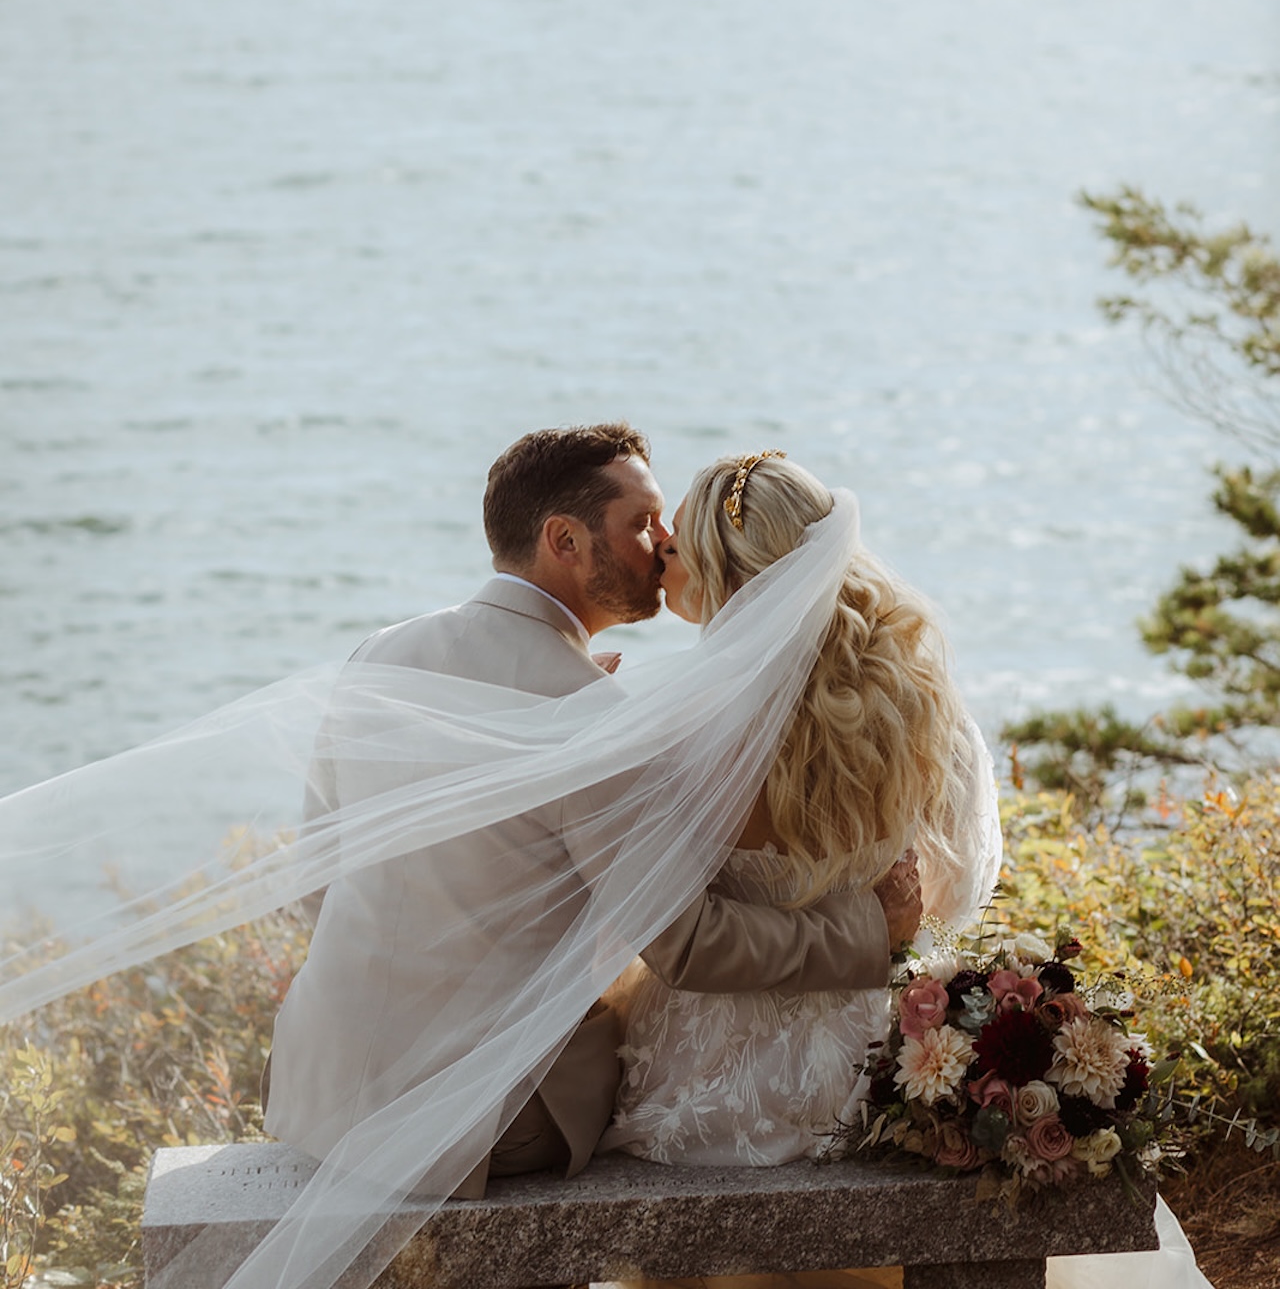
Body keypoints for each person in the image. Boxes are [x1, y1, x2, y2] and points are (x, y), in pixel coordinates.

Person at [601, 451, 1210, 1289]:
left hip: (701, 1085)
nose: (662, 547)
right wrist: (876, 924)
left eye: (681, 543)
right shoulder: (915, 703)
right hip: (865, 1069)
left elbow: (671, 927)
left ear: (726, 573)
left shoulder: (677, 730)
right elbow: (956, 891)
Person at [264, 424, 923, 1198]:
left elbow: (317, 880)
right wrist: (871, 930)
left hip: (317, 1081)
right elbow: (691, 947)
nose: (663, 544)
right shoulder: (592, 715)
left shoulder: (382, 653)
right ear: (564, 540)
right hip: (479, 1122)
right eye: (641, 522)